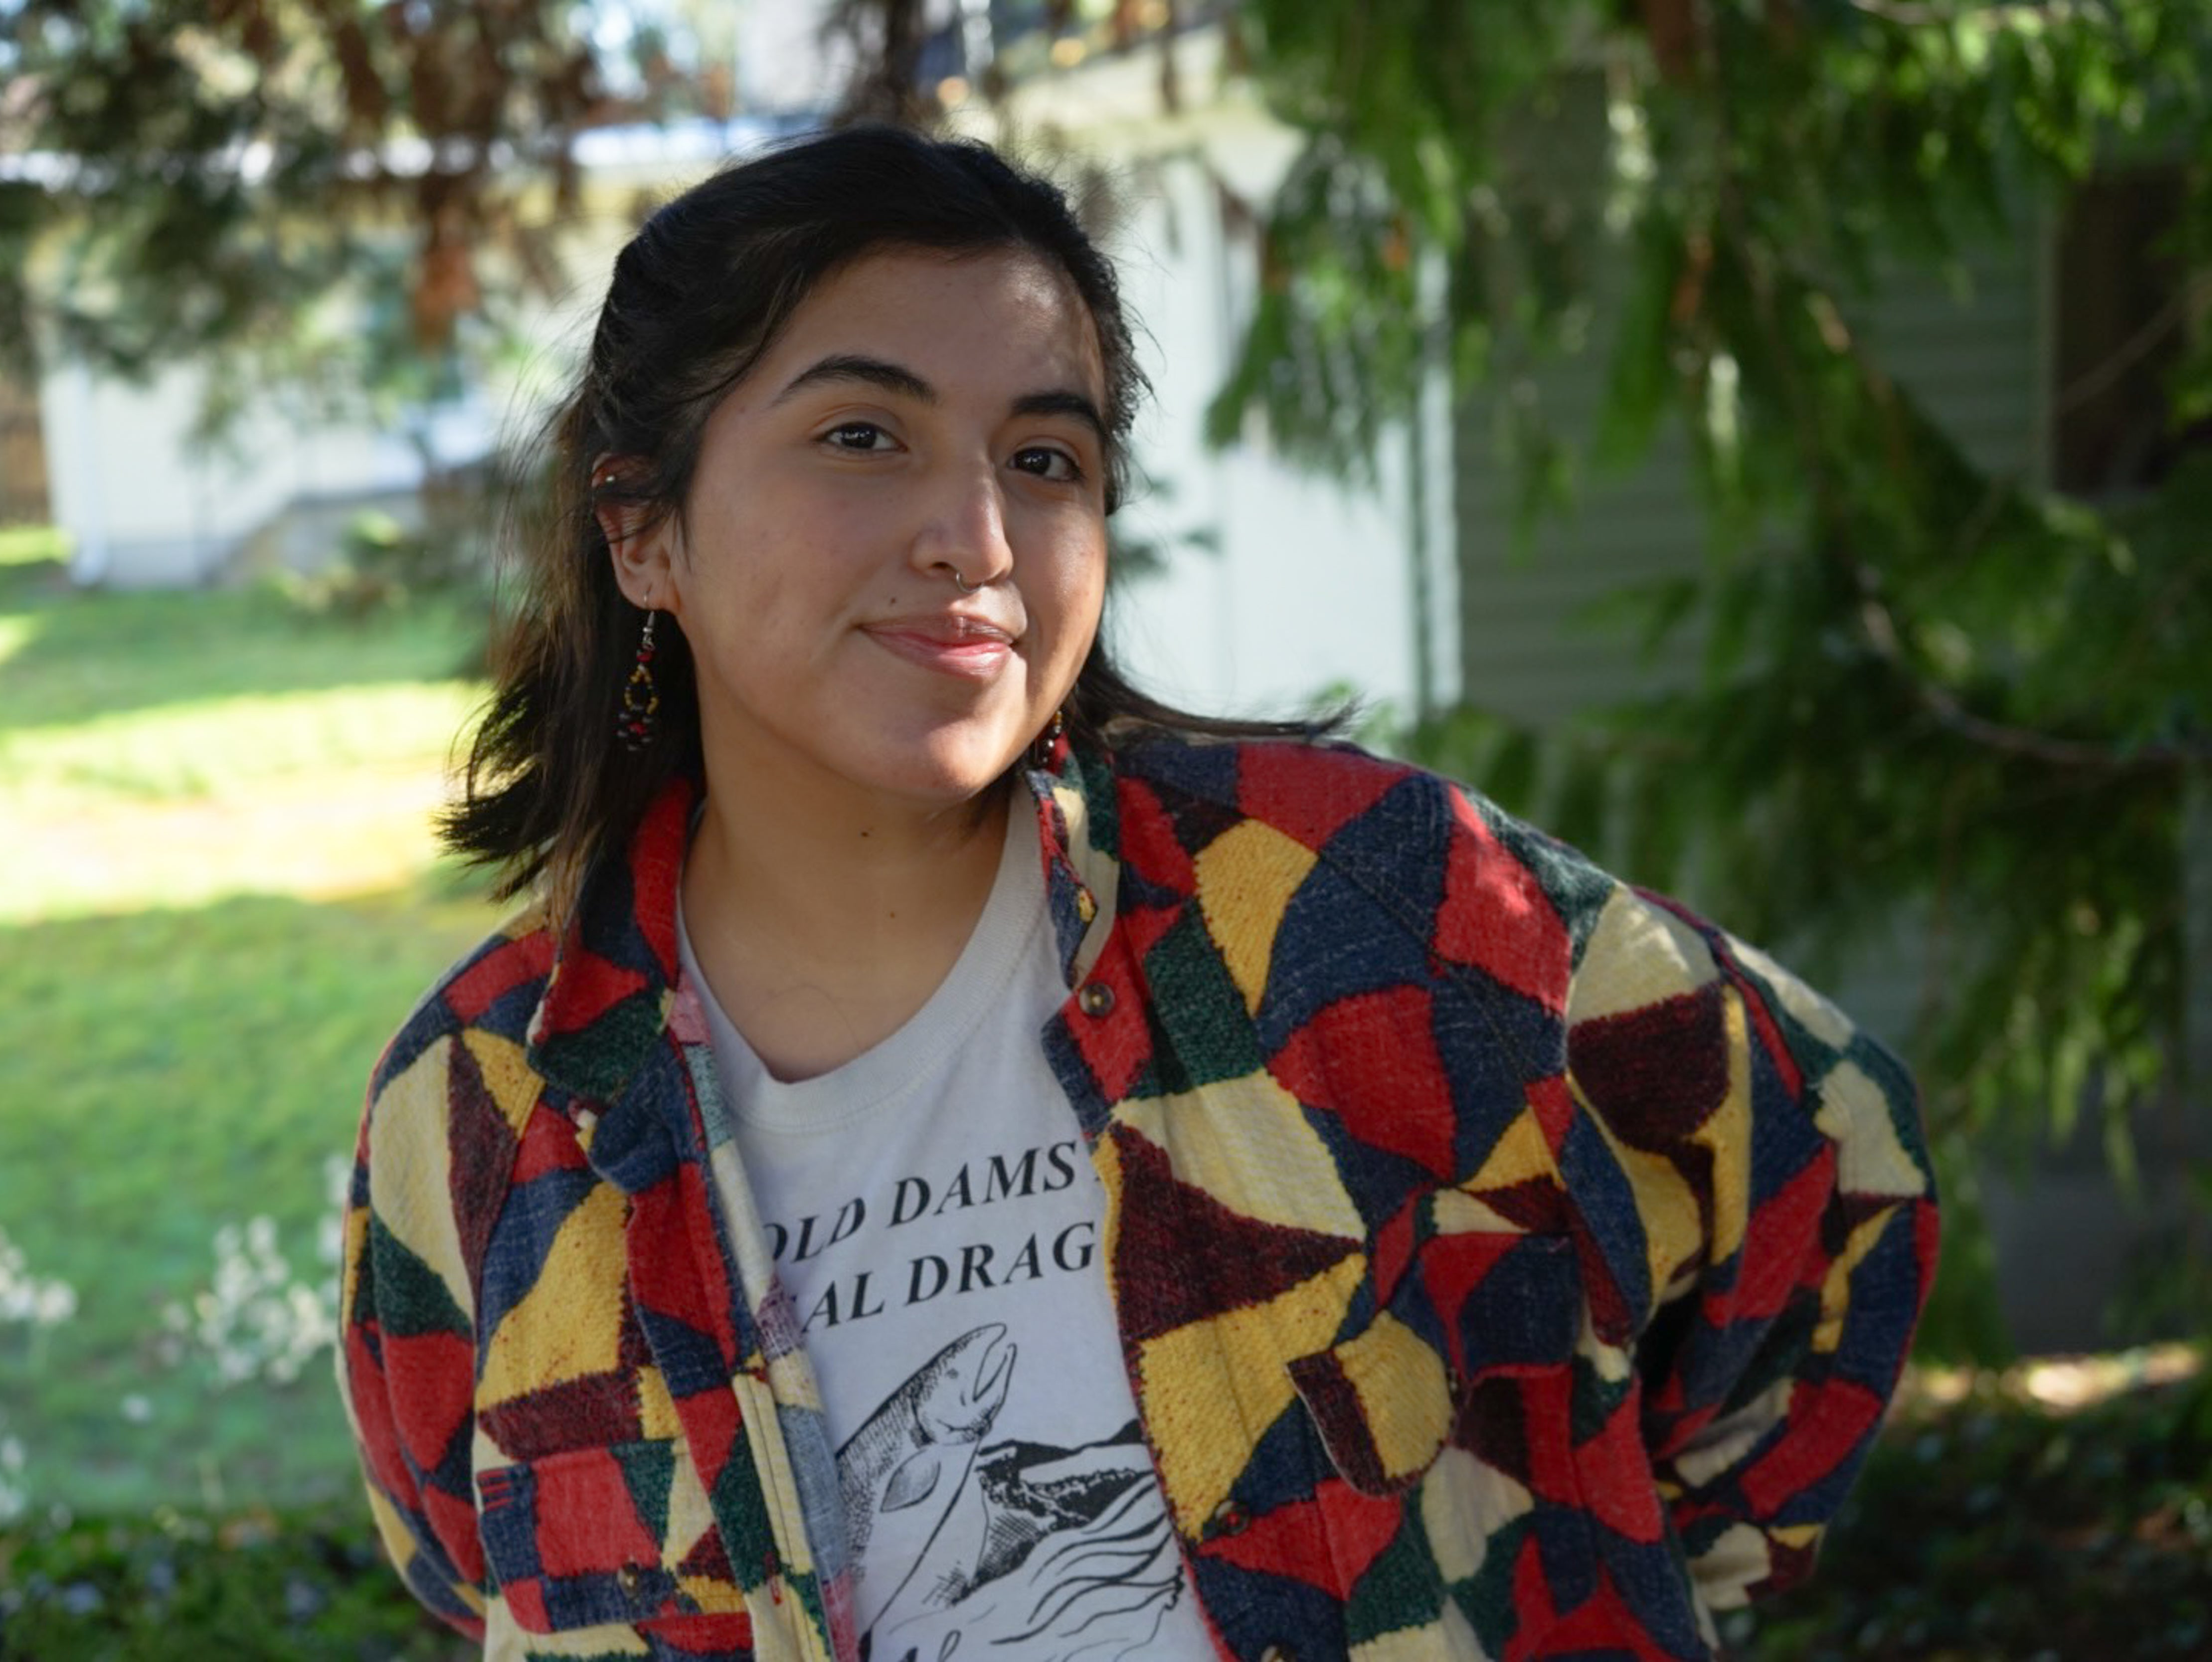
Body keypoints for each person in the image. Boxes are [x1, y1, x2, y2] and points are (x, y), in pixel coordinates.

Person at [336, 125, 1938, 1662]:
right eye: (861, 435)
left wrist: (1583, 1585)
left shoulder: (1346, 912)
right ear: (641, 530)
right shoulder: (485, 1104)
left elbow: (1827, 1174)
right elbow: (460, 1551)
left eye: (1044, 458)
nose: (975, 539)